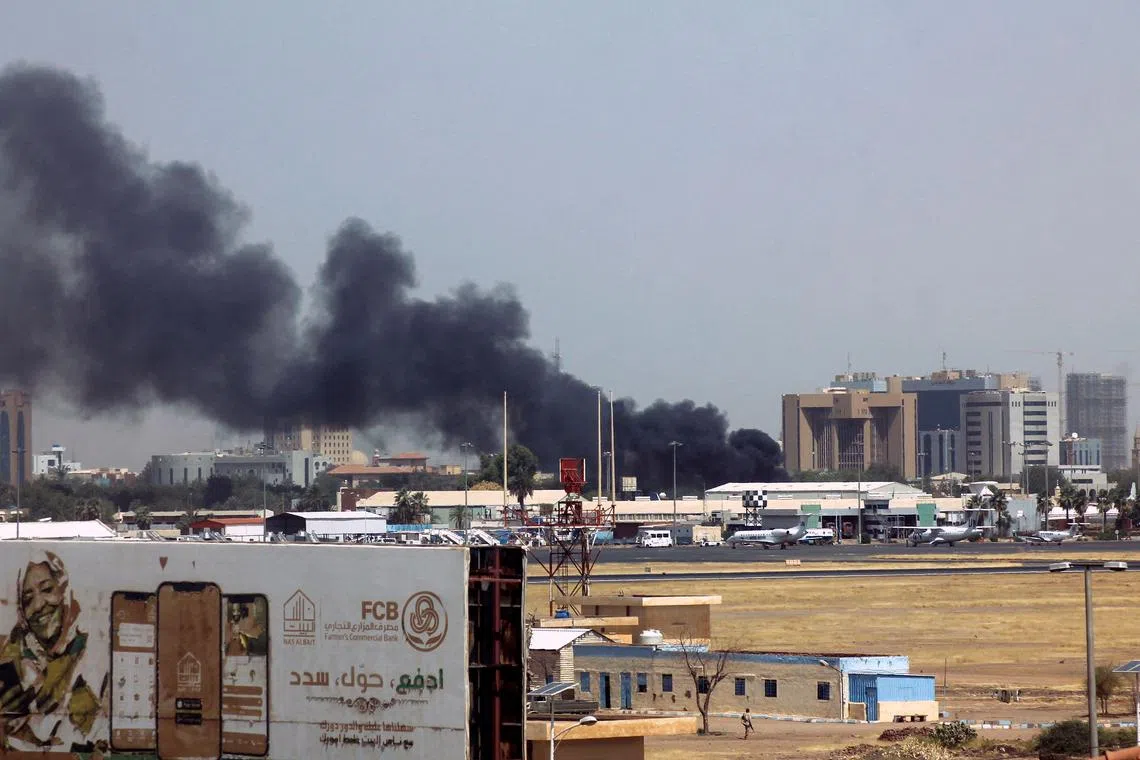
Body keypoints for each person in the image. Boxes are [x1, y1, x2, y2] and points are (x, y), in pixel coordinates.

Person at [0, 551, 108, 753]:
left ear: (63, 589)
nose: (39, 605)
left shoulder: (96, 647)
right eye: (27, 599)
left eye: (47, 589)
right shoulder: (12, 659)